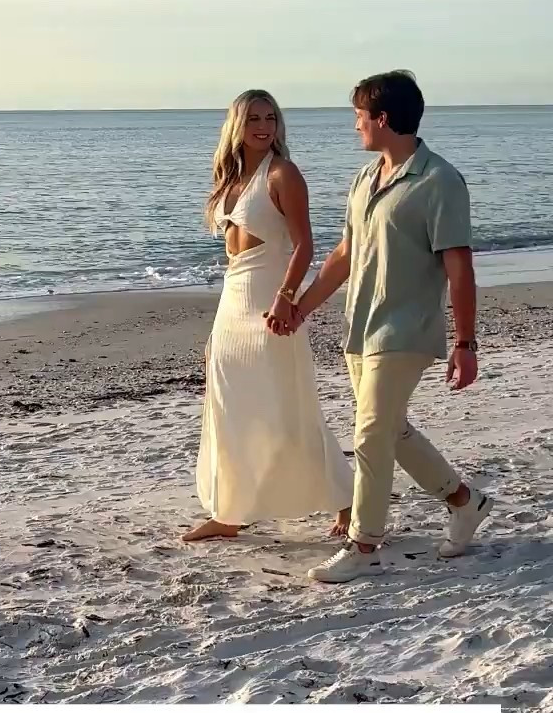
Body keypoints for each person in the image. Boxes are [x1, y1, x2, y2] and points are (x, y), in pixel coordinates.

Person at [284, 70, 493, 583]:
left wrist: (465, 342)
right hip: (360, 326)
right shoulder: (364, 178)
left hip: (407, 329)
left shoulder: (439, 181)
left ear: (382, 118)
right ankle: (464, 502)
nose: (354, 125)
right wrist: (300, 306)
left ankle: (364, 542)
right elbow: (344, 254)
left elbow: (460, 267)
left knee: (371, 432)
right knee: (390, 429)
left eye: (359, 116)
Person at [181, 89, 353, 543]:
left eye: (270, 118)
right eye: (254, 118)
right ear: (236, 125)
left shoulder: (283, 174)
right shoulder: (231, 179)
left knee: (288, 407)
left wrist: (285, 296)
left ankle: (346, 499)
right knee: (229, 407)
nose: (263, 126)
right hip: (232, 301)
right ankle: (230, 512)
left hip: (268, 301)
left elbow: (305, 246)